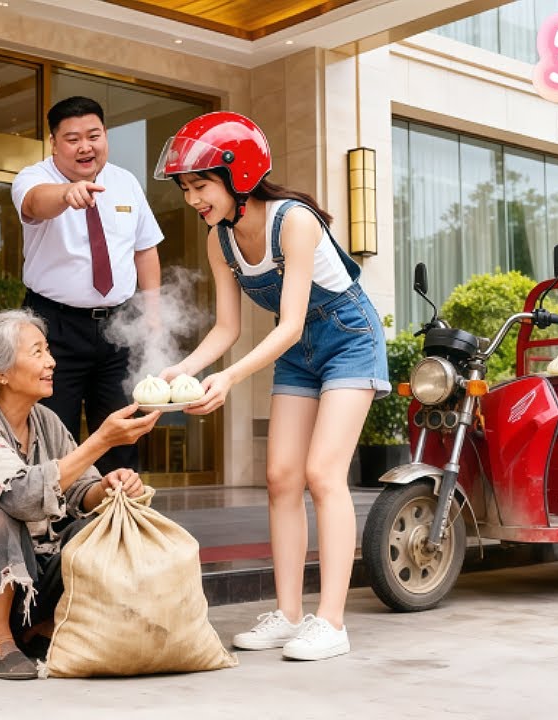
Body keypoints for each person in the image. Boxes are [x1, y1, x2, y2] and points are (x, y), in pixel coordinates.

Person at [154, 112, 389, 661]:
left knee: (321, 473)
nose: (193, 200)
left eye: (201, 186)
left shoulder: (294, 222)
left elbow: (287, 323)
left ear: (240, 175)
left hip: (348, 339)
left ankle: (330, 622)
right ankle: (287, 615)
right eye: (187, 189)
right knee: (281, 476)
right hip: (299, 351)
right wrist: (184, 369)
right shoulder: (221, 240)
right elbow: (228, 328)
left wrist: (230, 378)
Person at [0, 309, 159, 680]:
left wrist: (107, 488)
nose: (51, 362)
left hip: (32, 563)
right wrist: (101, 440)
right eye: (37, 352)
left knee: (99, 524)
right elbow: (18, 498)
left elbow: (80, 492)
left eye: (48, 351)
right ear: (1, 373)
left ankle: (38, 628)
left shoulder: (46, 420)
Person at [11, 96, 163, 475]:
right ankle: (50, 531)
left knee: (121, 432)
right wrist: (66, 194)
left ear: (105, 135)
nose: (85, 147)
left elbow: (145, 251)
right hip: (53, 327)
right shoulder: (34, 177)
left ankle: (117, 526)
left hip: (118, 327)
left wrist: (153, 314)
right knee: (49, 434)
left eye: (93, 135)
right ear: (53, 142)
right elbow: (34, 203)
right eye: (72, 138)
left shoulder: (125, 182)